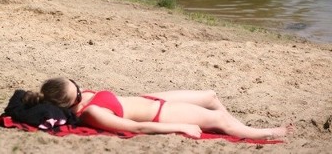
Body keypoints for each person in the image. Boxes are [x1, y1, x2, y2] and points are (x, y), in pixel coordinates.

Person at [22, 77, 294, 139]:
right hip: (159, 113)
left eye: (77, 85)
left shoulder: (78, 97)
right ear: (69, 104)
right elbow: (136, 127)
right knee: (217, 118)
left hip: (149, 98)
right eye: (77, 94)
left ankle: (238, 126)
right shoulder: (92, 113)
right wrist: (180, 127)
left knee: (211, 95)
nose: (82, 92)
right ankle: (262, 132)